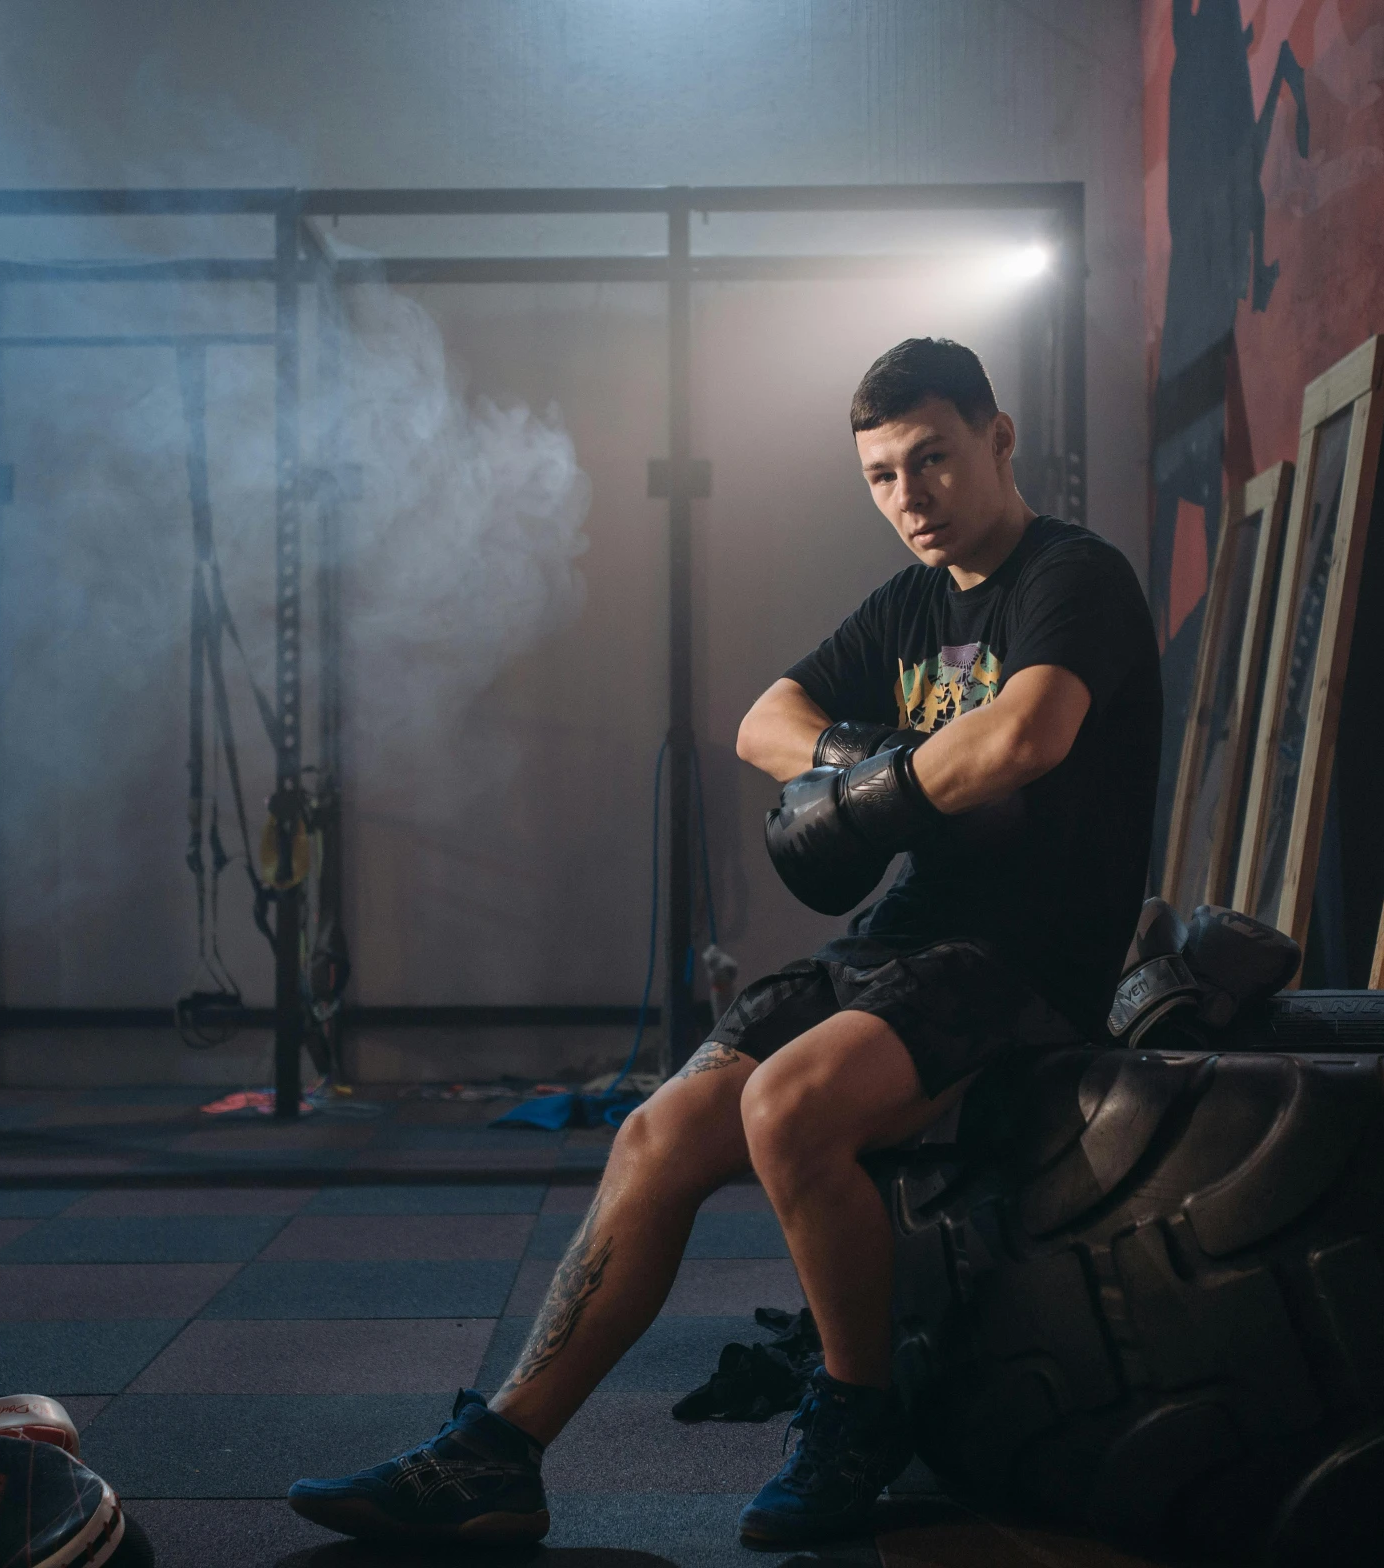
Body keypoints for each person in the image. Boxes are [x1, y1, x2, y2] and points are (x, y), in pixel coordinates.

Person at [287, 336, 1162, 1549]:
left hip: (1032, 958)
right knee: (658, 1130)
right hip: (905, 940)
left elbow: (1023, 737)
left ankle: (859, 1414)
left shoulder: (1074, 576)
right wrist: (861, 763)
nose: (910, 497)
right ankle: (501, 1449)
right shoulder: (909, 606)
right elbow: (763, 720)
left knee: (787, 1107)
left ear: (998, 438)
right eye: (881, 476)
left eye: (934, 459)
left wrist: (872, 786)